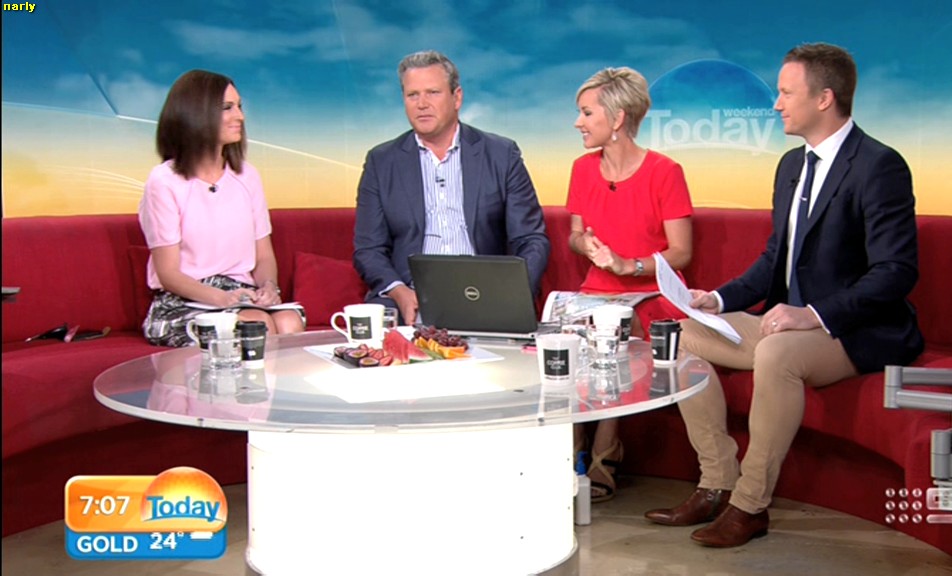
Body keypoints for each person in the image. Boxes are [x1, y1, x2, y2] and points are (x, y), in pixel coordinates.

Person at [643, 43, 924, 547]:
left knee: (777, 353)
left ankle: (750, 506)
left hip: (853, 328)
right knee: (681, 336)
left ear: (824, 98)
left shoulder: (879, 166)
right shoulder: (791, 165)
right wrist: (718, 300)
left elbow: (896, 272)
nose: (775, 104)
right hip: (787, 324)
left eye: (786, 93)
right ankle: (716, 482)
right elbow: (776, 258)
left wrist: (812, 314)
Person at [567, 67, 694, 502]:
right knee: (565, 332)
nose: (578, 122)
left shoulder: (664, 171)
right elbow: (574, 234)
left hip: (651, 295)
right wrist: (586, 245)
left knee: (613, 329)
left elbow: (681, 252)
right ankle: (570, 450)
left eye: (587, 113)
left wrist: (628, 265)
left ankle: (604, 450)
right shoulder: (582, 169)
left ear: (618, 118)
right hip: (594, 291)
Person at [353, 50, 550, 325]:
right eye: (412, 95)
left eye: (432, 93)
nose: (422, 104)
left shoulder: (501, 154)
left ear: (456, 97)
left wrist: (508, 294)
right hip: (409, 294)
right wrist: (398, 291)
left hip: (484, 292)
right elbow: (368, 249)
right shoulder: (382, 161)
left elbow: (531, 239)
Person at [139, 69, 304, 347]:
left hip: (241, 296)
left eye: (239, 106)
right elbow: (168, 274)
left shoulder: (247, 176)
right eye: (227, 108)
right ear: (196, 113)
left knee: (289, 321)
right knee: (254, 324)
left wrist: (269, 287)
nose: (240, 116)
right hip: (185, 300)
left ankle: (277, 378)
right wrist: (223, 299)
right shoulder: (164, 181)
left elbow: (263, 256)